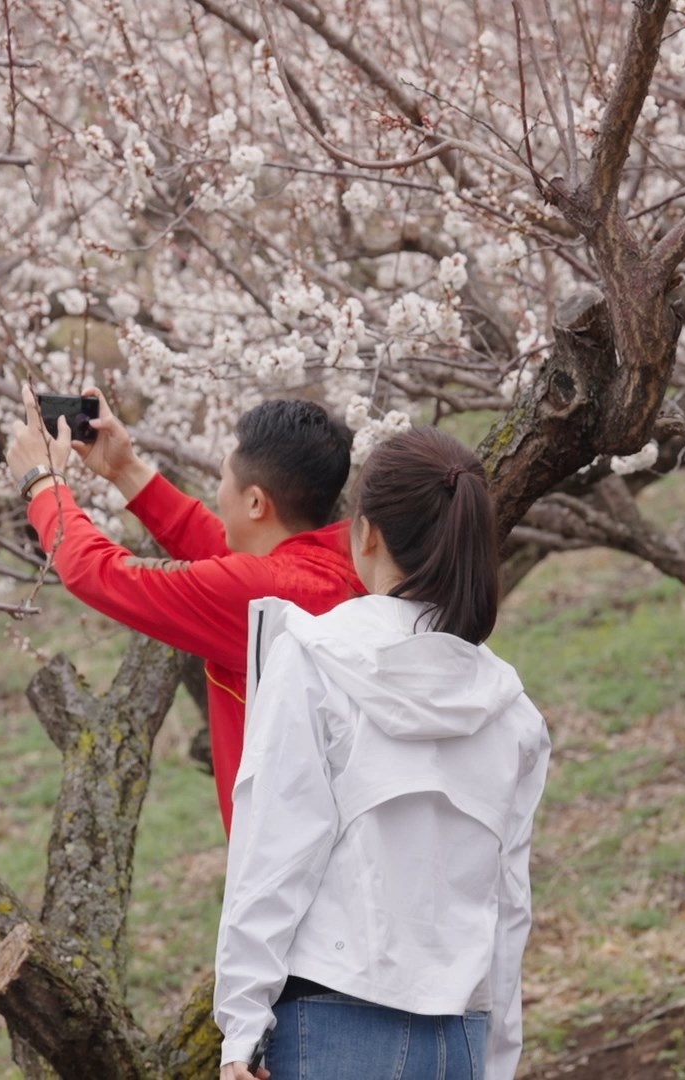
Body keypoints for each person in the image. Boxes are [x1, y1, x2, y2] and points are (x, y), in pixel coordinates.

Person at [213, 425, 550, 1080]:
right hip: (461, 1033)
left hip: (331, 1017)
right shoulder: (511, 711)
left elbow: (274, 849)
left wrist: (241, 1029)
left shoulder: (314, 658)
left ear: (366, 533)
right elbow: (510, 904)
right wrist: (499, 1057)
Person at [4, 386, 363, 834]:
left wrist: (43, 485)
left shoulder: (259, 598)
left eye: (223, 478)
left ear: (254, 502)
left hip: (291, 871)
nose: (218, 491)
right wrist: (125, 470)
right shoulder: (340, 563)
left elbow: (97, 572)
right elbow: (227, 555)